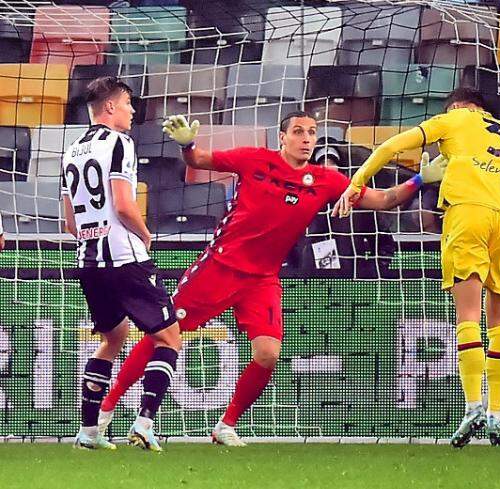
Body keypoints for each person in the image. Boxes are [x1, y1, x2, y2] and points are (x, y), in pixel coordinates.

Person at [97, 111, 448, 446]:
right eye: (298, 131)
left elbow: (382, 199)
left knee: (268, 353)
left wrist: (420, 179)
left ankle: (226, 426)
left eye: (311, 132)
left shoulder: (326, 180)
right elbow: (200, 160)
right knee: (165, 334)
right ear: (282, 137)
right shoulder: (254, 159)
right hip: (220, 267)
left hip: (263, 278)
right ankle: (106, 410)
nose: (306, 139)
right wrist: (187, 145)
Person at [335, 87, 500, 447]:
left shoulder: (452, 119)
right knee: (499, 321)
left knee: (468, 316)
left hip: (468, 215)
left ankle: (472, 407)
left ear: (458, 107)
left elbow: (389, 147)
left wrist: (355, 184)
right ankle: (496, 412)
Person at [61, 77, 182, 451]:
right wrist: (144, 235)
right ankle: (145, 424)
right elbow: (125, 204)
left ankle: (88, 433)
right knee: (169, 337)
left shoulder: (71, 150)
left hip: (88, 259)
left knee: (113, 338)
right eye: (128, 104)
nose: (132, 111)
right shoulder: (120, 143)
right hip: (125, 258)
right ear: (110, 107)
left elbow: (68, 220)